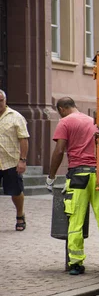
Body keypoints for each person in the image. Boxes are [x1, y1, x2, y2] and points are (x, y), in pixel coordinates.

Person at [47, 97, 99, 276]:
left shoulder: (65, 122)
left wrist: (51, 176)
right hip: (98, 176)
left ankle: (75, 263)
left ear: (61, 108)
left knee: (75, 220)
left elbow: (59, 151)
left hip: (77, 176)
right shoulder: (92, 121)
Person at [0, 89, 30, 231]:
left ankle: (20, 215)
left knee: (16, 192)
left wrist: (22, 160)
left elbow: (23, 139)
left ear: (5, 101)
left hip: (11, 161)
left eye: (1, 100)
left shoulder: (15, 117)